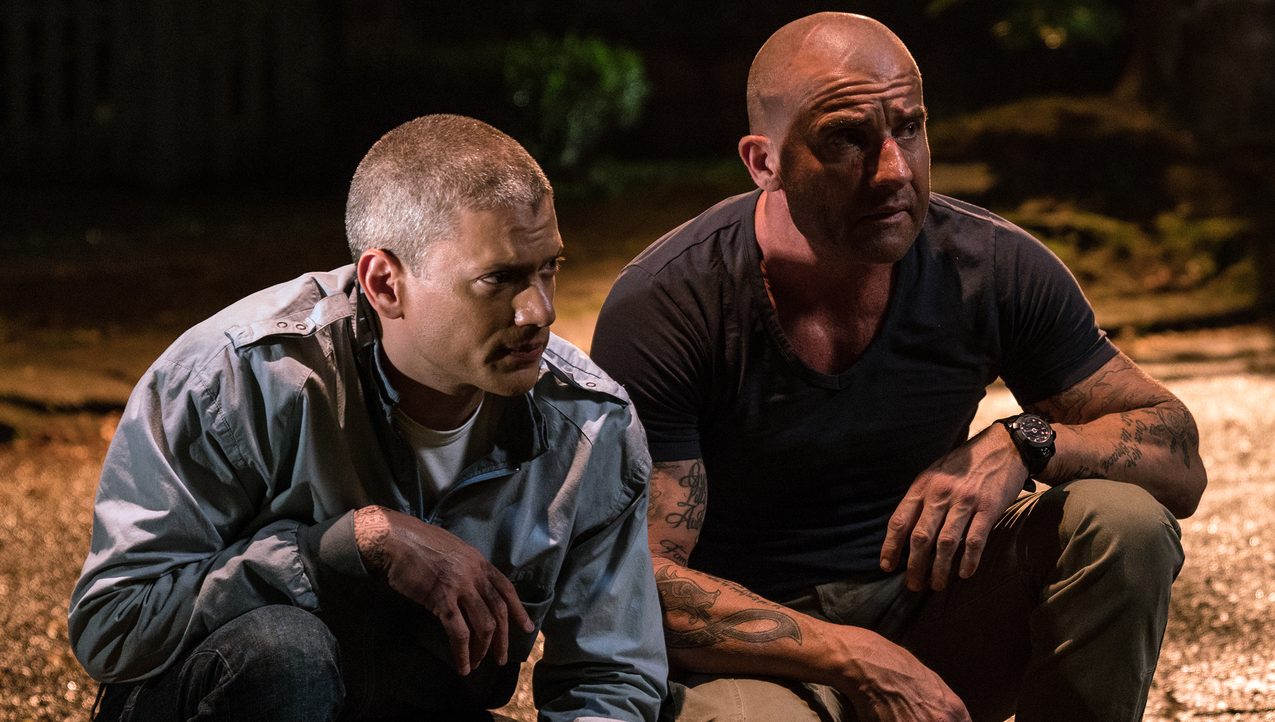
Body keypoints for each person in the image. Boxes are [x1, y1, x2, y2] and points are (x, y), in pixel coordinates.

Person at [591, 12, 1206, 722]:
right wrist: (850, 656)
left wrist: (1027, 441)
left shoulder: (988, 266)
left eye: (908, 129)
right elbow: (630, 581)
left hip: (933, 611)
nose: (893, 171)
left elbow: (1178, 460)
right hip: (767, 655)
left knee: (1124, 524)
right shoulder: (670, 305)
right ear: (764, 163)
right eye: (846, 139)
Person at [69, 114, 667, 722]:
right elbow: (115, 625)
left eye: (549, 268)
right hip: (226, 699)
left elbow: (610, 675)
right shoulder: (237, 381)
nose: (539, 311)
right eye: (499, 279)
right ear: (385, 284)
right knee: (285, 657)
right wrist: (341, 548)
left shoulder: (588, 426)